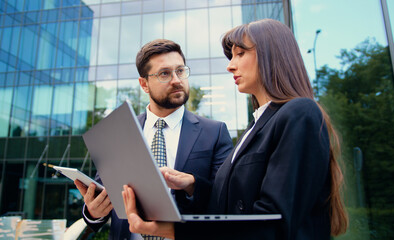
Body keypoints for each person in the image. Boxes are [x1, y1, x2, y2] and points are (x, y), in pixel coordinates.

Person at [121, 19, 349, 239]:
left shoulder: (299, 113)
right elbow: (230, 203)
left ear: (272, 55)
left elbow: (273, 223)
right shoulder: (256, 126)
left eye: (240, 54)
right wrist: (192, 184)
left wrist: (173, 229)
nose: (230, 65)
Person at [74, 39, 233, 240]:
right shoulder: (120, 134)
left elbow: (226, 199)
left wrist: (191, 184)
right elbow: (103, 197)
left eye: (181, 71)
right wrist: (94, 213)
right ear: (144, 84)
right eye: (164, 73)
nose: (176, 80)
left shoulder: (215, 132)